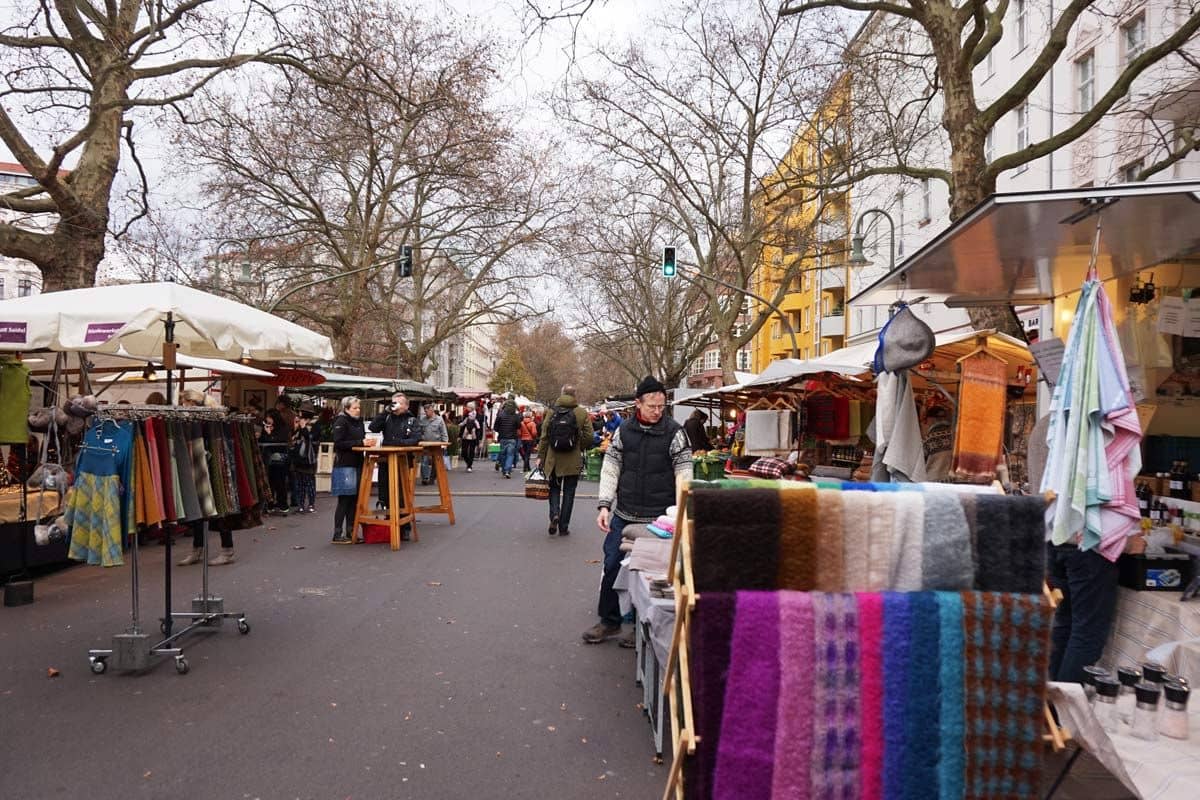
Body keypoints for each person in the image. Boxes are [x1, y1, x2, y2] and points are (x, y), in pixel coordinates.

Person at [585, 376, 691, 646]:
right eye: (652, 406)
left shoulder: (676, 432)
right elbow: (611, 468)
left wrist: (682, 510)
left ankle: (639, 625)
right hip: (625, 513)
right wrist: (604, 505)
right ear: (638, 404)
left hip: (660, 518)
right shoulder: (624, 432)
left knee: (649, 573)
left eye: (661, 406)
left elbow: (684, 474)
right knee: (611, 565)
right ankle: (609, 621)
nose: (657, 411)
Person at [176, 389, 236, 566]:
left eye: (183, 402)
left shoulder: (209, 418)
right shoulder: (199, 419)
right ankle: (198, 549)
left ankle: (227, 550)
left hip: (213, 468)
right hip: (202, 467)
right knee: (199, 509)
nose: (182, 406)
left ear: (191, 403)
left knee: (218, 508)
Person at [538, 385, 590, 537]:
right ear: (575, 395)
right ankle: (564, 526)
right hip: (572, 458)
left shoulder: (551, 411)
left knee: (554, 488)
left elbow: (544, 435)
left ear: (561, 394)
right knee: (569, 492)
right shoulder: (581, 412)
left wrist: (541, 456)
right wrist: (579, 447)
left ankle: (555, 513)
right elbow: (589, 435)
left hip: (553, 458)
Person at [367, 393, 421, 527]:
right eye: (393, 402)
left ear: (406, 405)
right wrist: (385, 411)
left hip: (403, 461)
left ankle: (404, 526)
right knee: (385, 492)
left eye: (399, 402)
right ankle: (389, 521)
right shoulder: (387, 418)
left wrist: (398, 443)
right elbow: (373, 427)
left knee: (402, 494)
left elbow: (415, 439)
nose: (395, 405)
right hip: (386, 460)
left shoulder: (411, 420)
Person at [331, 396, 365, 544]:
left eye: (358, 408)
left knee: (354, 500)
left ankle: (351, 532)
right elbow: (338, 443)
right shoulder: (341, 421)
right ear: (346, 408)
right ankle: (337, 534)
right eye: (354, 408)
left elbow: (361, 439)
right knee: (344, 499)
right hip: (344, 465)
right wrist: (360, 442)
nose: (358, 411)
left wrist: (365, 443)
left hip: (358, 463)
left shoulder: (359, 422)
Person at [259, 409, 292, 515]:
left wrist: (269, 434)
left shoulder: (283, 428)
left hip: (280, 459)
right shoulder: (267, 427)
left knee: (280, 482)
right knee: (270, 482)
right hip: (268, 459)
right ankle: (270, 504)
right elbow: (263, 440)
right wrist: (266, 433)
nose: (267, 419)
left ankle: (282, 504)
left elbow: (279, 442)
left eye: (269, 417)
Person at [290, 402, 318, 513]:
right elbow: (293, 437)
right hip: (298, 458)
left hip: (308, 459)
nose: (299, 413)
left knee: (309, 482)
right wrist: (296, 427)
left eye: (300, 411)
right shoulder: (298, 423)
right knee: (299, 483)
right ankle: (300, 504)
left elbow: (309, 438)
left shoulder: (314, 425)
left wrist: (303, 427)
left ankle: (311, 504)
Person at [418, 403, 448, 485]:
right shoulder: (423, 420)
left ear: (432, 410)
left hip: (436, 444)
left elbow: (443, 432)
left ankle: (432, 477)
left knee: (436, 462)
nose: (426, 413)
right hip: (425, 444)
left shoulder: (439, 420)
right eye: (425, 411)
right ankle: (425, 478)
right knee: (424, 460)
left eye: (427, 411)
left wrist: (445, 444)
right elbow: (419, 431)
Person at [492, 399, 521, 478]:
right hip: (512, 438)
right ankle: (508, 470)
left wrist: (500, 431)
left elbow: (495, 427)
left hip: (502, 438)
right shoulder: (515, 416)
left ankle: (504, 470)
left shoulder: (500, 415)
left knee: (503, 454)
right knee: (510, 455)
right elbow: (519, 426)